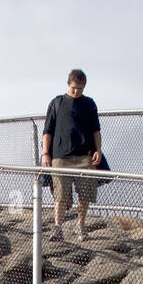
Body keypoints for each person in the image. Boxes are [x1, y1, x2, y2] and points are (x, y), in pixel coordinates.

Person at [41, 69, 104, 239]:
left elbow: (95, 130)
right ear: (68, 84)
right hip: (60, 156)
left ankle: (80, 226)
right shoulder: (57, 102)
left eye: (81, 88)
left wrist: (98, 150)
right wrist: (45, 153)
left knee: (85, 194)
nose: (77, 91)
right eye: (74, 87)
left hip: (85, 156)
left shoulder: (89, 104)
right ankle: (57, 228)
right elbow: (48, 130)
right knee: (60, 194)